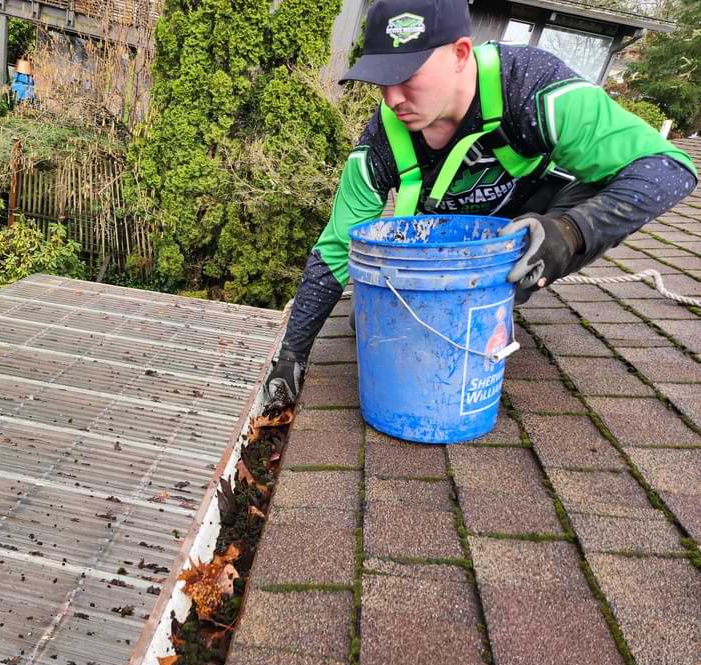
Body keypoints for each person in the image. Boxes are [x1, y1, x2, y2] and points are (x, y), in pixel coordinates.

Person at [265, 0, 697, 403]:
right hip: (445, 253)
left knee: (608, 188)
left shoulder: (530, 88)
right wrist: (293, 355)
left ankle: (502, 292)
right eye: (382, 80)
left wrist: (570, 232)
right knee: (373, 325)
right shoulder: (380, 143)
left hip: (533, 229)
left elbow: (669, 168)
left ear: (459, 53)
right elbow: (335, 249)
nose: (392, 99)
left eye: (408, 74)